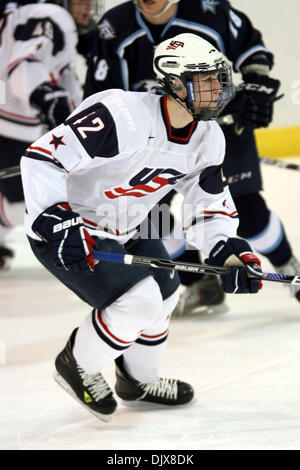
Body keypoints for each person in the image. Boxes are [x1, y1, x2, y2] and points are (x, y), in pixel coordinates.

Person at [21, 33, 263, 420]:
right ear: (175, 82)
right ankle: (76, 364)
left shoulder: (207, 138)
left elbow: (208, 205)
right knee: (140, 301)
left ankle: (137, 381)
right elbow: (42, 159)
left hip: (129, 226)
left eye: (219, 78)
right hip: (70, 231)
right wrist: (56, 218)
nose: (218, 89)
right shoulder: (121, 114)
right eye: (205, 80)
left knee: (165, 295)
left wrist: (227, 250)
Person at [84, 0, 300, 314]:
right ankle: (198, 281)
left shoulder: (211, 11)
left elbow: (252, 50)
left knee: (249, 213)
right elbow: (99, 94)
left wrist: (257, 86)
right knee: (149, 219)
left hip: (221, 128)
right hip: (152, 142)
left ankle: (289, 268)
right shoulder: (114, 26)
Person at [0, 0, 102, 269]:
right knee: (27, 202)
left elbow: (63, 82)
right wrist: (45, 97)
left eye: (90, 3)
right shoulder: (54, 15)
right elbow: (23, 62)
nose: (87, 8)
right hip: (10, 125)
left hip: (11, 121)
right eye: (80, 2)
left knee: (26, 199)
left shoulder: (43, 17)